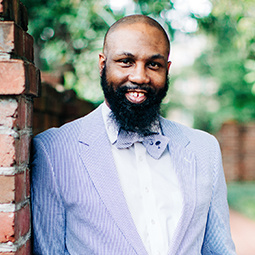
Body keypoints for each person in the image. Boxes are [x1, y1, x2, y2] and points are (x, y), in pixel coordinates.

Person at [31, 15, 236, 255]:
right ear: (102, 64)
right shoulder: (53, 151)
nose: (140, 76)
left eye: (154, 64)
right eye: (126, 61)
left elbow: (219, 250)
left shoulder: (204, 149)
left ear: (167, 69)